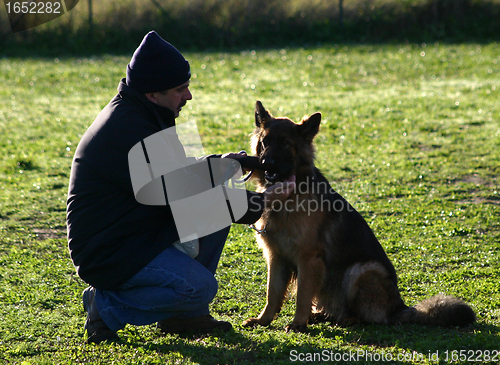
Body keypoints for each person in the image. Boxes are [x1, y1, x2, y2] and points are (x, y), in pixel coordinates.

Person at [66, 31, 295, 344]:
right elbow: (183, 198)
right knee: (198, 286)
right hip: (110, 250)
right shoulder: (129, 131)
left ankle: (184, 317)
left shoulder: (146, 114)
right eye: (180, 89)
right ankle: (104, 306)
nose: (188, 96)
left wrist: (228, 164)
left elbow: (179, 179)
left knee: (216, 218)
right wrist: (265, 199)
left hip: (137, 230)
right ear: (152, 93)